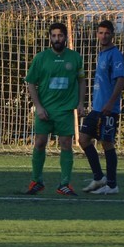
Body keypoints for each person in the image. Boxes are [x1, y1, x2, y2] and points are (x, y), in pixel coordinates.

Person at [24, 22, 86, 196]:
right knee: (40, 143)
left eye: (60, 35)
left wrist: (81, 103)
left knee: (66, 144)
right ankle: (36, 181)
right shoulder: (41, 58)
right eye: (54, 36)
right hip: (45, 110)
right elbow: (30, 83)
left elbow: (81, 81)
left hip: (65, 111)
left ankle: (64, 184)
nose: (57, 39)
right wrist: (38, 107)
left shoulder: (75, 57)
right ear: (50, 38)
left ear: (65, 37)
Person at [79, 19, 124, 194]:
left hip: (108, 109)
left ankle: (112, 185)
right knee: (83, 139)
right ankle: (99, 178)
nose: (103, 36)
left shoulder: (115, 54)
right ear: (97, 34)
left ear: (112, 34)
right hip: (97, 108)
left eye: (107, 33)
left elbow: (120, 80)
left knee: (107, 143)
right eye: (100, 33)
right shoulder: (101, 54)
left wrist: (111, 103)